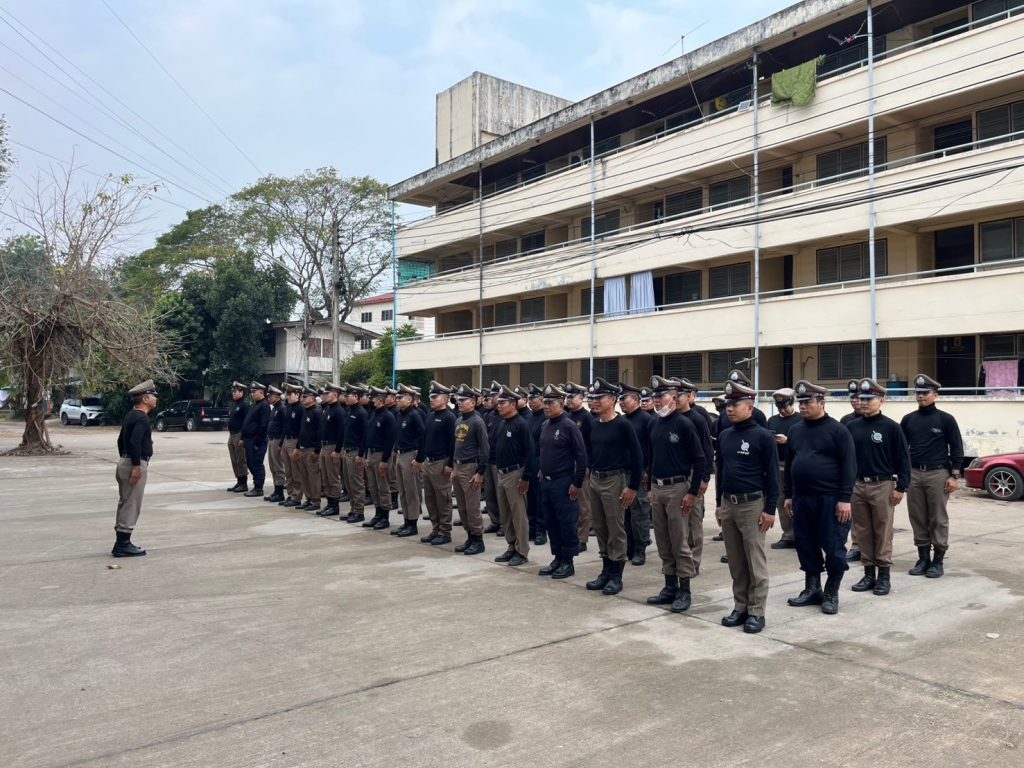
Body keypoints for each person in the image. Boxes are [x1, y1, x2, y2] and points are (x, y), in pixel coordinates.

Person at [784, 380, 856, 615]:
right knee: (805, 544)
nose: (803, 406)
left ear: (822, 403)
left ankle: (831, 592)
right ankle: (812, 588)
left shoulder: (838, 430)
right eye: (801, 403)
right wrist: (788, 495)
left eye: (808, 402)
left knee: (834, 547)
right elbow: (790, 464)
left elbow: (849, 466)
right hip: (802, 498)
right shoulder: (795, 430)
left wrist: (844, 499)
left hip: (831, 499)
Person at [714, 380, 779, 633]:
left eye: (735, 404)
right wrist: (719, 504)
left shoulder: (763, 436)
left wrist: (770, 509)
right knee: (736, 561)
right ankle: (740, 607)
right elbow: (721, 471)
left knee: (755, 561)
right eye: (728, 405)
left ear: (750, 407)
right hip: (728, 503)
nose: (730, 409)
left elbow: (772, 475)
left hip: (752, 505)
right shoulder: (725, 435)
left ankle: (756, 611)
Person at [644, 376, 706, 613]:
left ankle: (684, 590)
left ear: (673, 397)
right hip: (658, 488)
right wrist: (650, 489)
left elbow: (699, 459)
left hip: (678, 488)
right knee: (663, 540)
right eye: (655, 397)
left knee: (680, 541)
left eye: (661, 397)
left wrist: (692, 492)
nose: (657, 401)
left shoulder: (684, 424)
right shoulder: (653, 425)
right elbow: (650, 459)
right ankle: (669, 586)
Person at [847, 378, 912, 596]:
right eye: (862, 398)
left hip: (882, 484)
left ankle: (884, 575)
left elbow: (903, 459)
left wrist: (901, 487)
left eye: (869, 399)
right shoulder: (851, 427)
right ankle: (868, 573)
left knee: (882, 531)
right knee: (862, 531)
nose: (864, 402)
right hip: (858, 485)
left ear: (881, 400)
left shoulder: (891, 427)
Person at [900, 374, 964, 579]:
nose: (921, 396)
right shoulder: (908, 419)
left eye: (925, 393)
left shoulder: (945, 419)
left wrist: (954, 476)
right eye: (918, 392)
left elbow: (956, 447)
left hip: (938, 473)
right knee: (917, 517)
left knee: (938, 518)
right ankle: (923, 559)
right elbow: (901, 449)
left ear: (935, 395)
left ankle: (938, 561)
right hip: (914, 473)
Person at [584, 378, 643, 596]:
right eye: (593, 398)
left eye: (600, 398)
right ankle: (606, 570)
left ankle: (617, 574)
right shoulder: (594, 424)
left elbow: (637, 456)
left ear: (613, 400)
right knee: (600, 526)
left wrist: (632, 487)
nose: (594, 401)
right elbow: (590, 451)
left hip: (614, 480)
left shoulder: (623, 425)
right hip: (596, 479)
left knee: (615, 528)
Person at [537, 384, 588, 579]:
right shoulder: (545, 425)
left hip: (564, 482)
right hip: (547, 482)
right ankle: (557, 557)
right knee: (551, 522)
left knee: (566, 522)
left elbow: (581, 456)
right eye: (545, 402)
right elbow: (544, 451)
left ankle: (568, 561)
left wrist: (577, 483)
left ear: (561, 404)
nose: (546, 406)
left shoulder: (569, 426)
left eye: (551, 403)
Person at [112, 379, 158, 557]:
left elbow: (120, 441)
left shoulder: (131, 415)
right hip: (134, 464)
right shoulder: (142, 418)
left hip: (125, 462)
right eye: (153, 396)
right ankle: (123, 544)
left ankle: (120, 542)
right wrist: (136, 466)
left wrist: (124, 459)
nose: (156, 399)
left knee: (125, 501)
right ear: (145, 399)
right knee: (132, 504)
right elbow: (134, 442)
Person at [492, 384, 536, 566]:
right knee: (506, 514)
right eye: (499, 402)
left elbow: (530, 452)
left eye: (503, 402)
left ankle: (522, 550)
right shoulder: (503, 423)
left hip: (515, 474)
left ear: (513, 404)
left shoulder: (521, 424)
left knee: (518, 514)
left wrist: (526, 477)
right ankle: (511, 545)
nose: (499, 405)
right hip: (501, 474)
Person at [676, 378, 713, 576]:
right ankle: (680, 560)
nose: (675, 399)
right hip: (677, 474)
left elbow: (707, 449)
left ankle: (694, 561)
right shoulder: (671, 418)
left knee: (694, 519)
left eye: (679, 395)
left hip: (693, 473)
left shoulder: (698, 418)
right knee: (679, 520)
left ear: (690, 396)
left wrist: (705, 478)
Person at [414, 381, 457, 545]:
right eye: (431, 397)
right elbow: (423, 439)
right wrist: (420, 459)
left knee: (443, 498)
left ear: (445, 399)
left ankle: (445, 532)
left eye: (435, 397)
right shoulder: (430, 416)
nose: (431, 400)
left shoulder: (449, 418)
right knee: (430, 499)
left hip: (441, 462)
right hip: (428, 462)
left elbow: (453, 443)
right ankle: (435, 528)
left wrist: (450, 464)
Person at [451, 383, 489, 555]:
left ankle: (478, 539)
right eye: (459, 400)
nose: (460, 402)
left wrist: (480, 472)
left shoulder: (477, 421)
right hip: (458, 465)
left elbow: (485, 448)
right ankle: (470, 536)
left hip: (470, 466)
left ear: (473, 402)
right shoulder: (458, 420)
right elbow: (456, 445)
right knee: (462, 506)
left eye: (463, 400)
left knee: (472, 506)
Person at [619, 383, 653, 565]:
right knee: (624, 512)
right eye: (620, 399)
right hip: (622, 472)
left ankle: (640, 548)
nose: (621, 402)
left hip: (640, 473)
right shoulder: (622, 421)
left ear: (636, 399)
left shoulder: (647, 420)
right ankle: (628, 546)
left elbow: (652, 448)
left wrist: (648, 470)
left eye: (624, 399)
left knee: (639, 512)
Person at [767, 387, 800, 549]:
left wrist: (789, 440)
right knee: (782, 501)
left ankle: (802, 535)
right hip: (778, 464)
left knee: (799, 500)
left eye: (785, 407)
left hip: (796, 464)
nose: (782, 410)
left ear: (792, 403)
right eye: (779, 407)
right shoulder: (772, 420)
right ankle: (788, 535)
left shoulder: (801, 419)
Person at [392, 383, 426, 537]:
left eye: (401, 398)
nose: (397, 400)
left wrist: (419, 459)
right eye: (397, 397)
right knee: (403, 490)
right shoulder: (400, 414)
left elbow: (423, 437)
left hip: (410, 455)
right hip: (400, 455)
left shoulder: (414, 415)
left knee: (411, 490)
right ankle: (406, 520)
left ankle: (413, 523)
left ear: (410, 400)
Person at [564, 382, 593, 551]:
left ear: (581, 398)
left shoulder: (586, 417)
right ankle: (571, 534)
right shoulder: (566, 416)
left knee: (583, 504)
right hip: (566, 465)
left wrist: (588, 465)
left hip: (581, 465)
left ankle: (582, 538)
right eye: (567, 397)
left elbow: (591, 444)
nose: (569, 400)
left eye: (572, 397)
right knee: (570, 503)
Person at [364, 386, 397, 530]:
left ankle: (385, 516)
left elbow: (390, 440)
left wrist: (384, 460)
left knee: (383, 487)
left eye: (372, 399)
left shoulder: (388, 416)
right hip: (371, 454)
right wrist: (366, 456)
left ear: (380, 401)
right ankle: (377, 514)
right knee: (373, 487)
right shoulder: (373, 415)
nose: (370, 401)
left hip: (381, 455)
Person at [341, 384, 370, 524]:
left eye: (349, 396)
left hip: (355, 452)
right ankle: (353, 509)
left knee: (357, 483)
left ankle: (359, 511)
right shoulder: (349, 411)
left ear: (357, 397)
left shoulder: (361, 413)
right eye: (346, 395)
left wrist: (361, 454)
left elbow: (365, 436)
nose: (346, 398)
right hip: (347, 451)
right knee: (348, 483)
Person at [315, 384, 344, 516]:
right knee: (325, 477)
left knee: (332, 477)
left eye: (327, 394)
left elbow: (341, 432)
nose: (324, 396)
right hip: (324, 446)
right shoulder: (327, 409)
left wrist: (337, 450)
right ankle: (329, 503)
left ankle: (335, 505)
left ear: (335, 395)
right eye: (324, 394)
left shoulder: (338, 410)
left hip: (332, 446)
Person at [525, 383, 548, 546]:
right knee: (530, 497)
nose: (530, 401)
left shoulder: (545, 418)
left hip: (540, 460)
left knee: (540, 499)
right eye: (529, 398)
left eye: (533, 398)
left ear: (541, 399)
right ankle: (531, 528)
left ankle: (541, 531)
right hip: (529, 461)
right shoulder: (528, 418)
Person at [294, 387, 323, 511]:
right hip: (303, 447)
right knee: (304, 476)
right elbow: (301, 431)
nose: (302, 398)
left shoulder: (317, 412)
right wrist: (297, 447)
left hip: (311, 448)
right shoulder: (305, 411)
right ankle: (309, 498)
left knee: (313, 476)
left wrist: (317, 450)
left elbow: (319, 433)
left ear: (312, 398)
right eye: (302, 396)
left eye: (305, 397)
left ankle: (315, 501)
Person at [240, 382, 271, 498]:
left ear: (261, 392)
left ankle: (258, 488)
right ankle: (256, 485)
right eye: (251, 392)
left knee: (256, 464)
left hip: (256, 440)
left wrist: (258, 442)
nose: (252, 394)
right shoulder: (255, 405)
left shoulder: (264, 406)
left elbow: (264, 426)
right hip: (249, 439)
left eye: (254, 392)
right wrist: (243, 438)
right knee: (250, 463)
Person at [280, 384, 304, 508]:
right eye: (287, 394)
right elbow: (285, 427)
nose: (287, 397)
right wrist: (281, 444)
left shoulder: (301, 409)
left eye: (290, 394)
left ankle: (297, 496)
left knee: (296, 471)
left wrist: (298, 447)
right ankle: (290, 494)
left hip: (294, 441)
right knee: (288, 471)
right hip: (286, 440)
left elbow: (302, 429)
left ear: (297, 395)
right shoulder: (289, 408)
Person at [263, 385, 287, 502]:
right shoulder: (274, 409)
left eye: (271, 396)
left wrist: (281, 444)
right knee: (273, 466)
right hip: (271, 439)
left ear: (277, 397)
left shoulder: (282, 409)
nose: (269, 398)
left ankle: (280, 492)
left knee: (278, 466)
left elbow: (284, 428)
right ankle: (276, 490)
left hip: (277, 440)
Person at [226, 381, 250, 492]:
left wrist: (243, 437)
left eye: (235, 391)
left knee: (241, 459)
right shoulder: (234, 404)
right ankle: (239, 481)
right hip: (232, 435)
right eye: (233, 391)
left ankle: (244, 483)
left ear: (242, 392)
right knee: (234, 459)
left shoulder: (244, 405)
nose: (233, 393)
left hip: (239, 434)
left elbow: (247, 422)